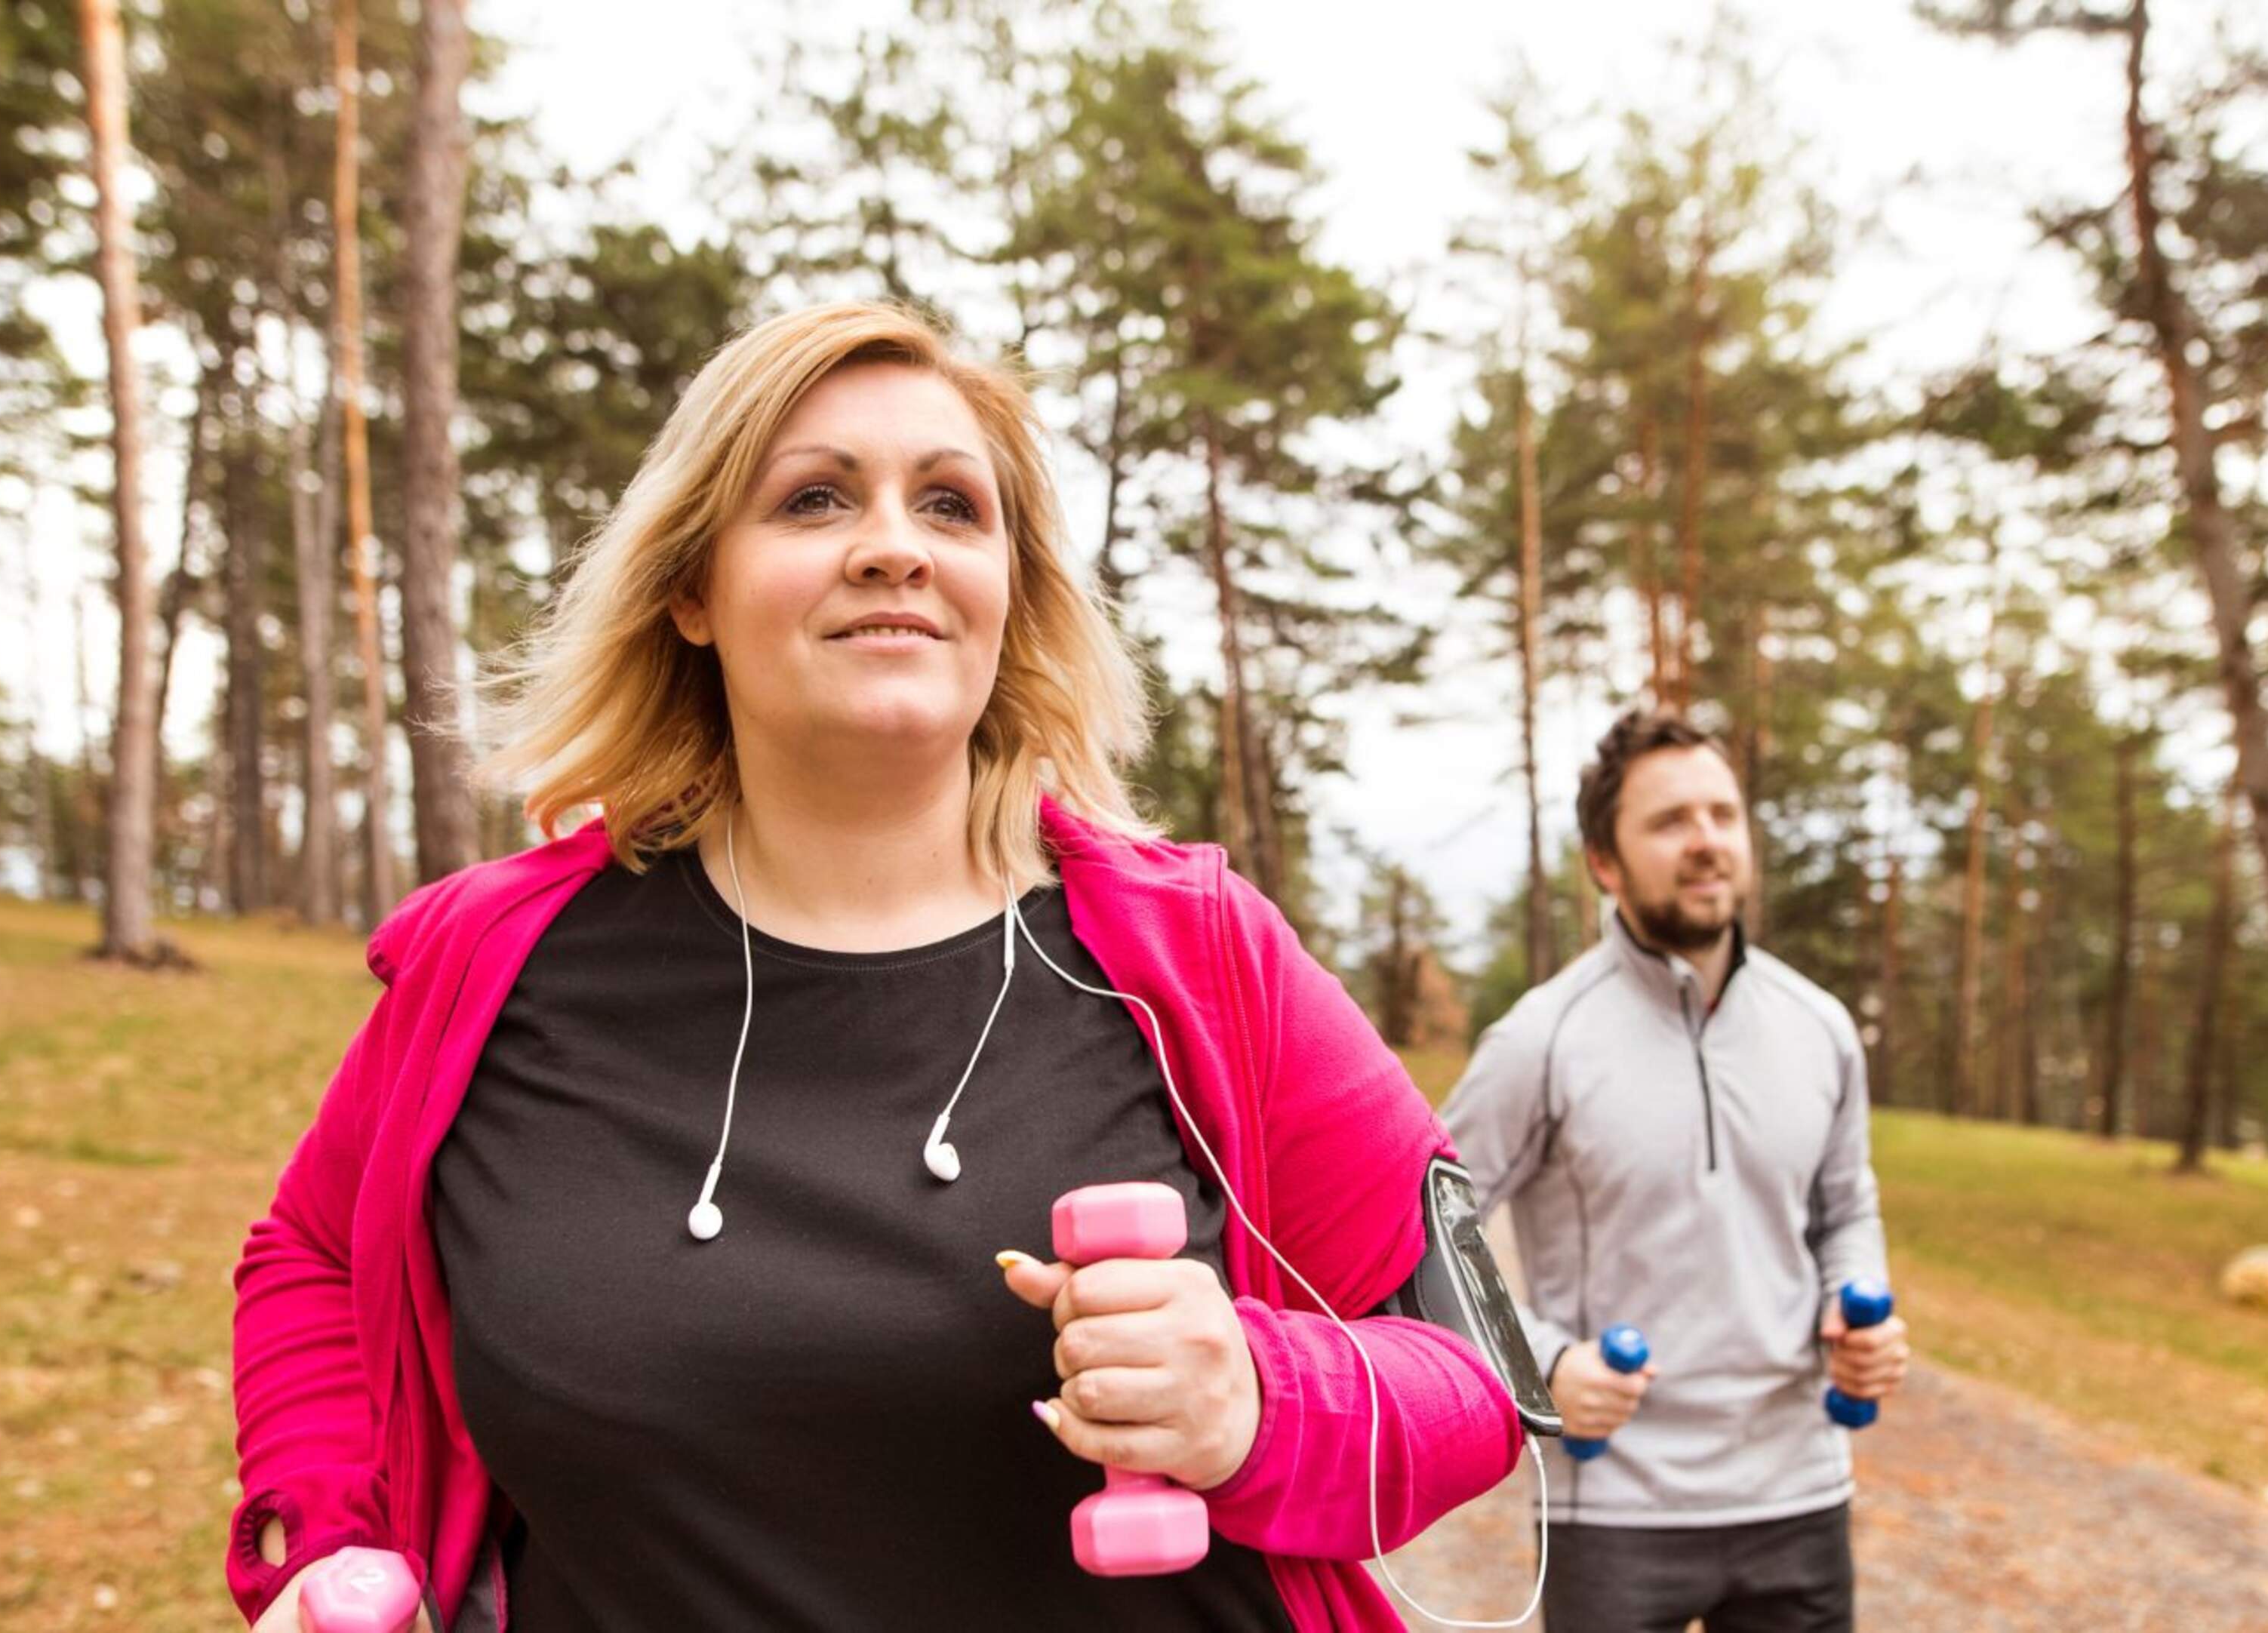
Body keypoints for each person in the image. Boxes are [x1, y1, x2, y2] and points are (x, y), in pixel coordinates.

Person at [227, 302, 1523, 1632]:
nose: (895, 546)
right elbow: (313, 1254)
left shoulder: (1196, 953)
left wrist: (1257, 1403)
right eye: (815, 499)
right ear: (690, 591)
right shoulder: (491, 963)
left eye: (952, 506)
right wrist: (323, 1540)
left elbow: (1479, 1381)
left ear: (1010, 594)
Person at [1440, 709, 1909, 1633]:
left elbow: (1847, 1208)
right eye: (1669, 821)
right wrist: (1543, 1365)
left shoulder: (1819, 1025)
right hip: (1616, 1506)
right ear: (1604, 863)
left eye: (1722, 814)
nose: (1706, 840)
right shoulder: (1540, 1039)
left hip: (1800, 1489)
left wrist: (1857, 1306)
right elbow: (1429, 1238)